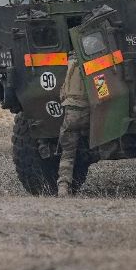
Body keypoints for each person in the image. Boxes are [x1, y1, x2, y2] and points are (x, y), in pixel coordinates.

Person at [56, 49, 90, 198]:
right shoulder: (90, 63)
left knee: (68, 153)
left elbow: (62, 93)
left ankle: (63, 187)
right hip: (89, 111)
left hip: (70, 112)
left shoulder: (68, 66)